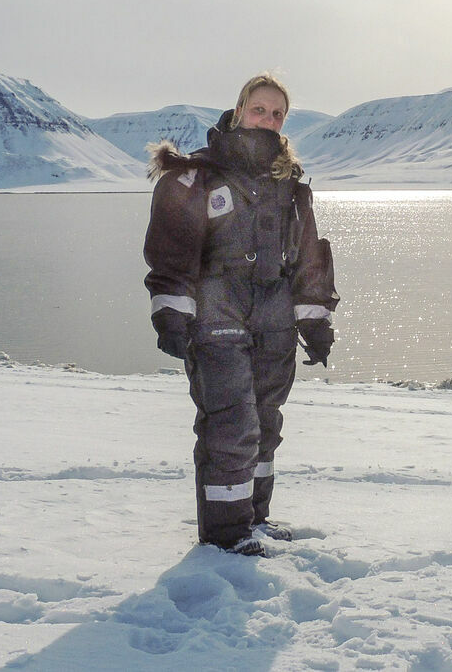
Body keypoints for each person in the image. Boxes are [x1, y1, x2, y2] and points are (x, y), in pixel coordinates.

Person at [143, 74, 339, 557]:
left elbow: (309, 254)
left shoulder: (289, 183)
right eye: (259, 110)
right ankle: (225, 537)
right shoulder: (198, 176)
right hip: (216, 309)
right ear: (238, 110)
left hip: (273, 316)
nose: (268, 120)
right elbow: (172, 247)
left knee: (266, 423)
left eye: (277, 114)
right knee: (231, 425)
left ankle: (254, 519)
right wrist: (171, 310)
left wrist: (314, 319)